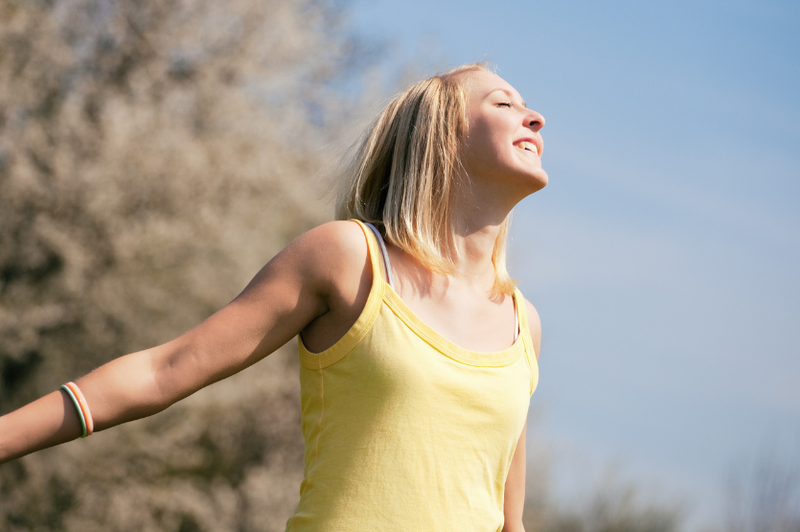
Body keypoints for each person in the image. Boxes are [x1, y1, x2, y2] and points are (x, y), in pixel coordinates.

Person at [0, 62, 546, 531]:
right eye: (504, 104)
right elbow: (164, 370)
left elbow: (509, 521)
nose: (535, 117)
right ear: (442, 135)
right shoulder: (350, 258)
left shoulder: (525, 326)